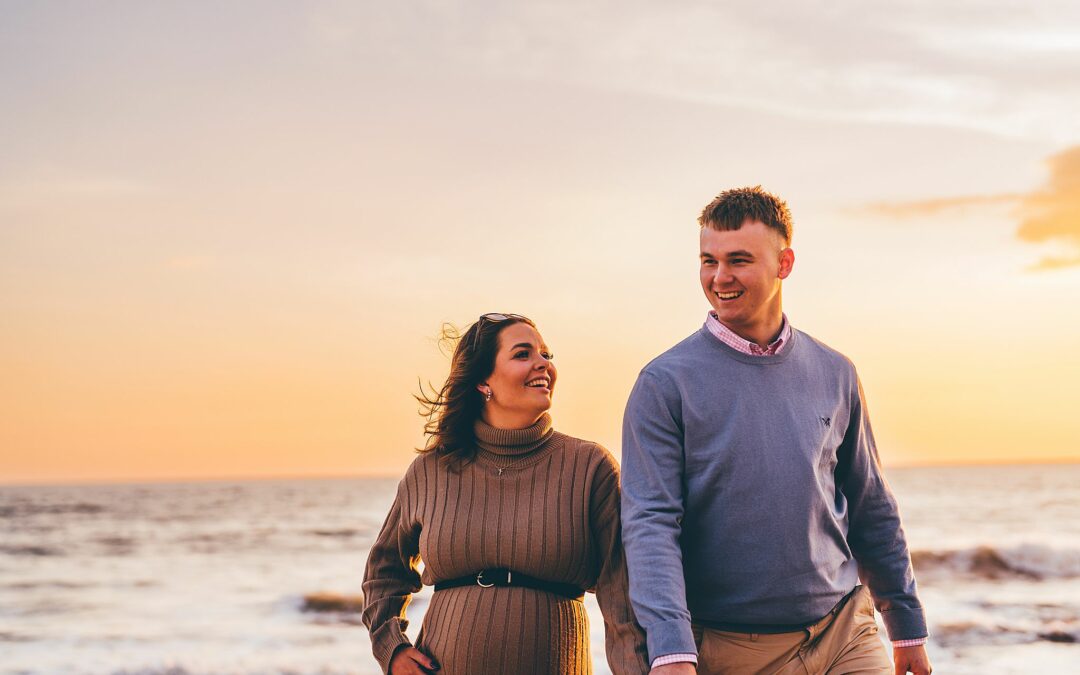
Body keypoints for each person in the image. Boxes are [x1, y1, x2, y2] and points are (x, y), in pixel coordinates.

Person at [620, 187, 932, 675]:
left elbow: (870, 502)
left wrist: (906, 623)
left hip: (845, 629)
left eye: (738, 260)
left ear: (784, 263)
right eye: (708, 261)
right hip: (733, 649)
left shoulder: (836, 371)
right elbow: (651, 524)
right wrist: (671, 649)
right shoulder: (664, 383)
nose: (719, 277)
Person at [363, 313, 649, 675]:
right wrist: (393, 650)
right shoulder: (431, 470)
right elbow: (383, 571)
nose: (543, 364)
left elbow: (622, 597)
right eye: (523, 354)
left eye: (546, 354)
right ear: (483, 380)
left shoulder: (589, 466)